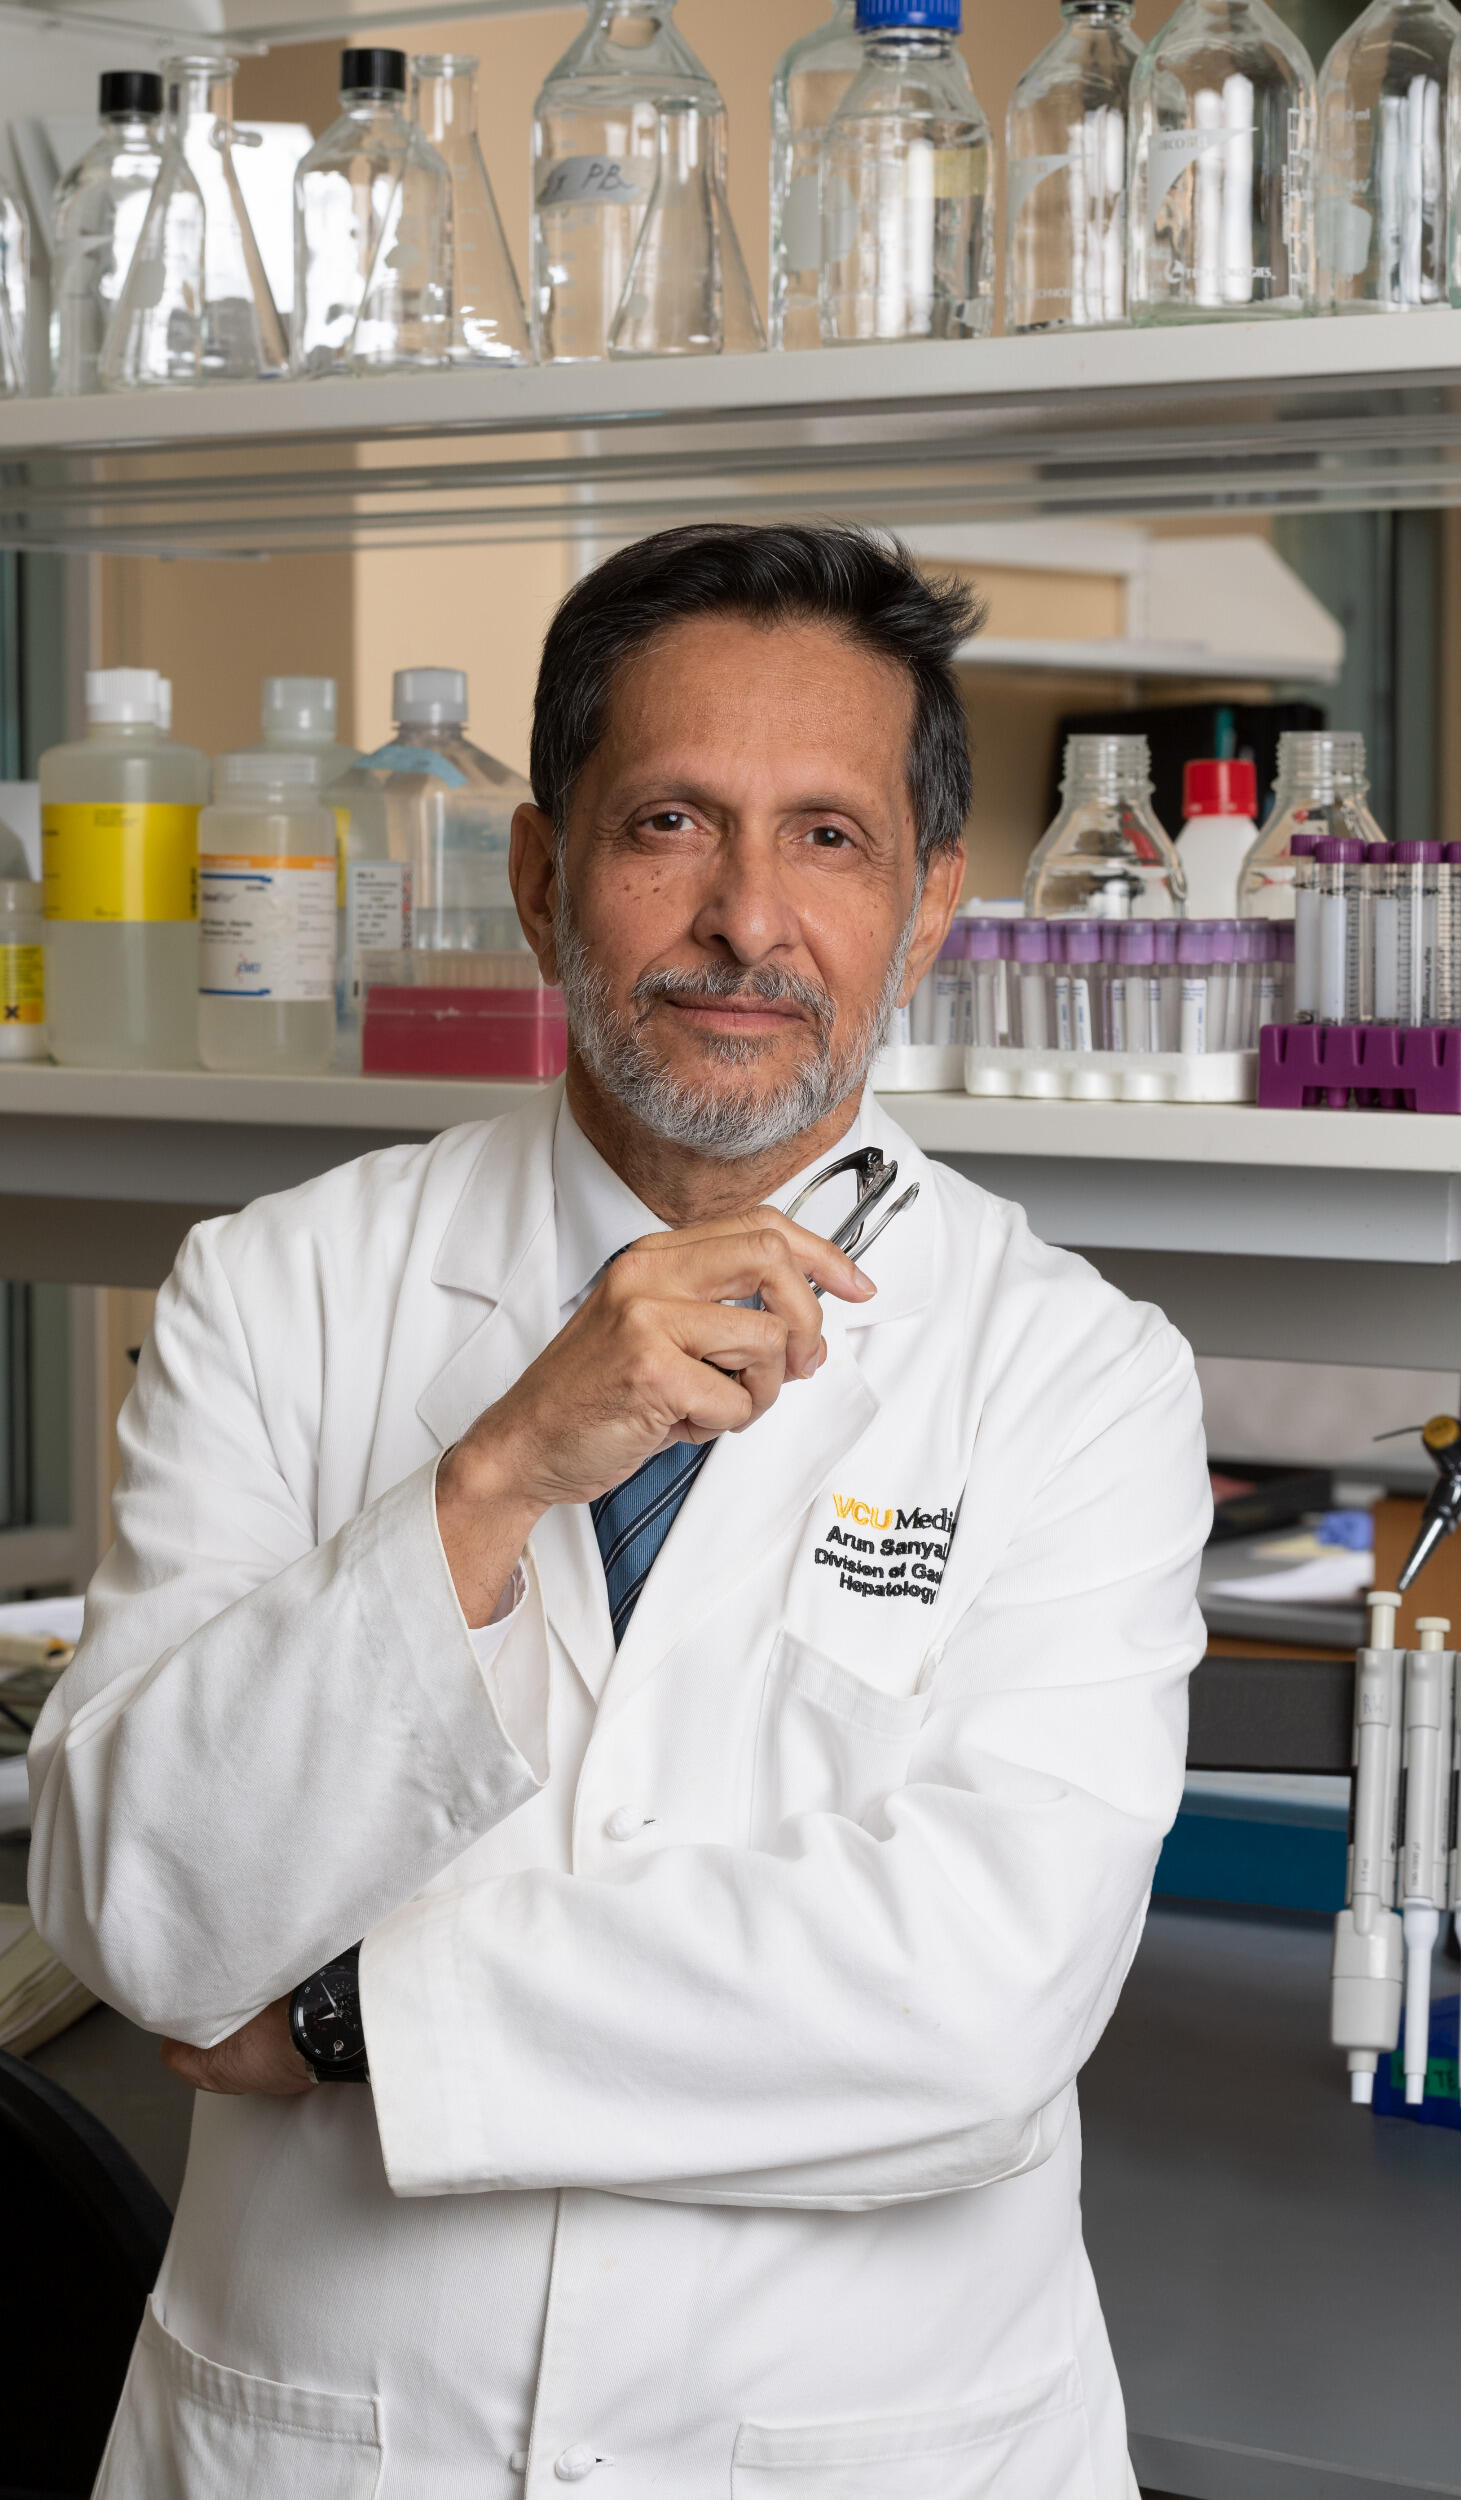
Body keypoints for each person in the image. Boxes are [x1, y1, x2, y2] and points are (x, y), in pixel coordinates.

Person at [30, 523, 1209, 2500]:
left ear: (929, 906)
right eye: (670, 822)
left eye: (827, 838)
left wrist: (347, 2017)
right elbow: (144, 1907)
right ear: (536, 872)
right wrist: (494, 1472)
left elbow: (972, 1999)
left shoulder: (1076, 1372)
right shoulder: (277, 1288)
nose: (746, 917)